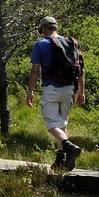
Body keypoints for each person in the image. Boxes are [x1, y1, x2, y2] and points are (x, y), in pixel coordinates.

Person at [26, 16, 85, 170]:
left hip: (51, 89)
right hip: (68, 90)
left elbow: (35, 70)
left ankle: (68, 147)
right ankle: (61, 159)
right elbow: (80, 69)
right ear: (56, 28)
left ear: (45, 29)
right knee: (62, 124)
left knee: (52, 125)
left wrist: (30, 92)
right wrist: (81, 91)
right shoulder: (71, 43)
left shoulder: (40, 44)